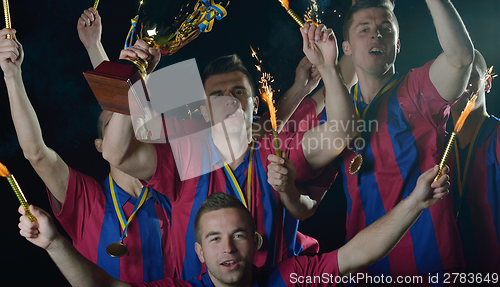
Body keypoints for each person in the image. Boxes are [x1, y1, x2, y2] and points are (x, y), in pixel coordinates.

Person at [99, 14, 357, 279]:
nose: (229, 101)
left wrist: (328, 67)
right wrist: (133, 77)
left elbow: (341, 131)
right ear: (204, 111)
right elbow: (115, 152)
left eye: (238, 92)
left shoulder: (277, 149)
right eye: (217, 96)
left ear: (255, 104)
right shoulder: (186, 156)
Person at [283, 0, 474, 280]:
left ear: (398, 46)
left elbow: (460, 59)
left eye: (386, 29)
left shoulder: (415, 91)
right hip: (364, 269)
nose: (377, 35)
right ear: (345, 46)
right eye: (364, 30)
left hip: (429, 265)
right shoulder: (339, 112)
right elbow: (280, 139)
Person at [18, 164, 451, 287]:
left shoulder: (288, 278)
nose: (228, 248)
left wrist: (414, 202)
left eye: (238, 235)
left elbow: (361, 251)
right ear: (199, 252)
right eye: (214, 238)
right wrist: (55, 243)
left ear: (256, 241)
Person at [0, 23, 173, 282]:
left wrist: (115, 60)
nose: (123, 129)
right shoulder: (86, 201)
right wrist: (11, 76)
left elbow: (126, 106)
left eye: (129, 122)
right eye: (111, 126)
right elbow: (35, 152)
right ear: (101, 145)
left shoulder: (171, 189)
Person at [449, 50, 500, 274]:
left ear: (487, 82)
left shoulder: (497, 136)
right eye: (454, 73)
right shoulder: (436, 146)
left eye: (470, 73)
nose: (461, 81)